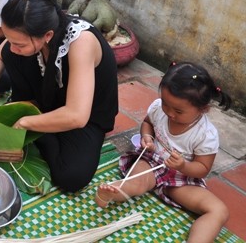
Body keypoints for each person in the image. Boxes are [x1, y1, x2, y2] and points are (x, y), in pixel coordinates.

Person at [0, 0, 119, 192]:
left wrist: (25, 122)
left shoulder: (80, 42)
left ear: (48, 35)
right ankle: (34, 113)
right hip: (48, 98)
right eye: (10, 39)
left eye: (19, 43)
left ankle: (37, 124)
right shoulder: (29, 28)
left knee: (71, 177)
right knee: (12, 54)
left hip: (84, 115)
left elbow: (77, 116)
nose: (13, 46)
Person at [96, 62, 231, 243]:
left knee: (219, 210)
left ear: (203, 109)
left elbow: (202, 168)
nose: (169, 113)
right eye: (166, 104)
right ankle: (111, 193)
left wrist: (183, 165)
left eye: (178, 110)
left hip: (181, 179)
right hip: (152, 163)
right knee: (137, 182)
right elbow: (148, 123)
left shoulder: (205, 134)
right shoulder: (159, 108)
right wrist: (147, 137)